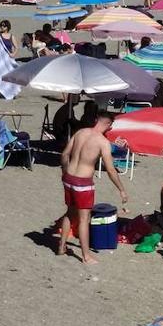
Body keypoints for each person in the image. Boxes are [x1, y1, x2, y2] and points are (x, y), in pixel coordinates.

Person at [56, 113, 127, 264]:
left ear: (96, 120)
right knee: (83, 219)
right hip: (83, 183)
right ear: (109, 126)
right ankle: (86, 256)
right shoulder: (103, 142)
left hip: (69, 177)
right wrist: (121, 189)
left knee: (69, 213)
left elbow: (64, 154)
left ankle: (61, 247)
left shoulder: (80, 132)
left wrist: (64, 172)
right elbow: (110, 170)